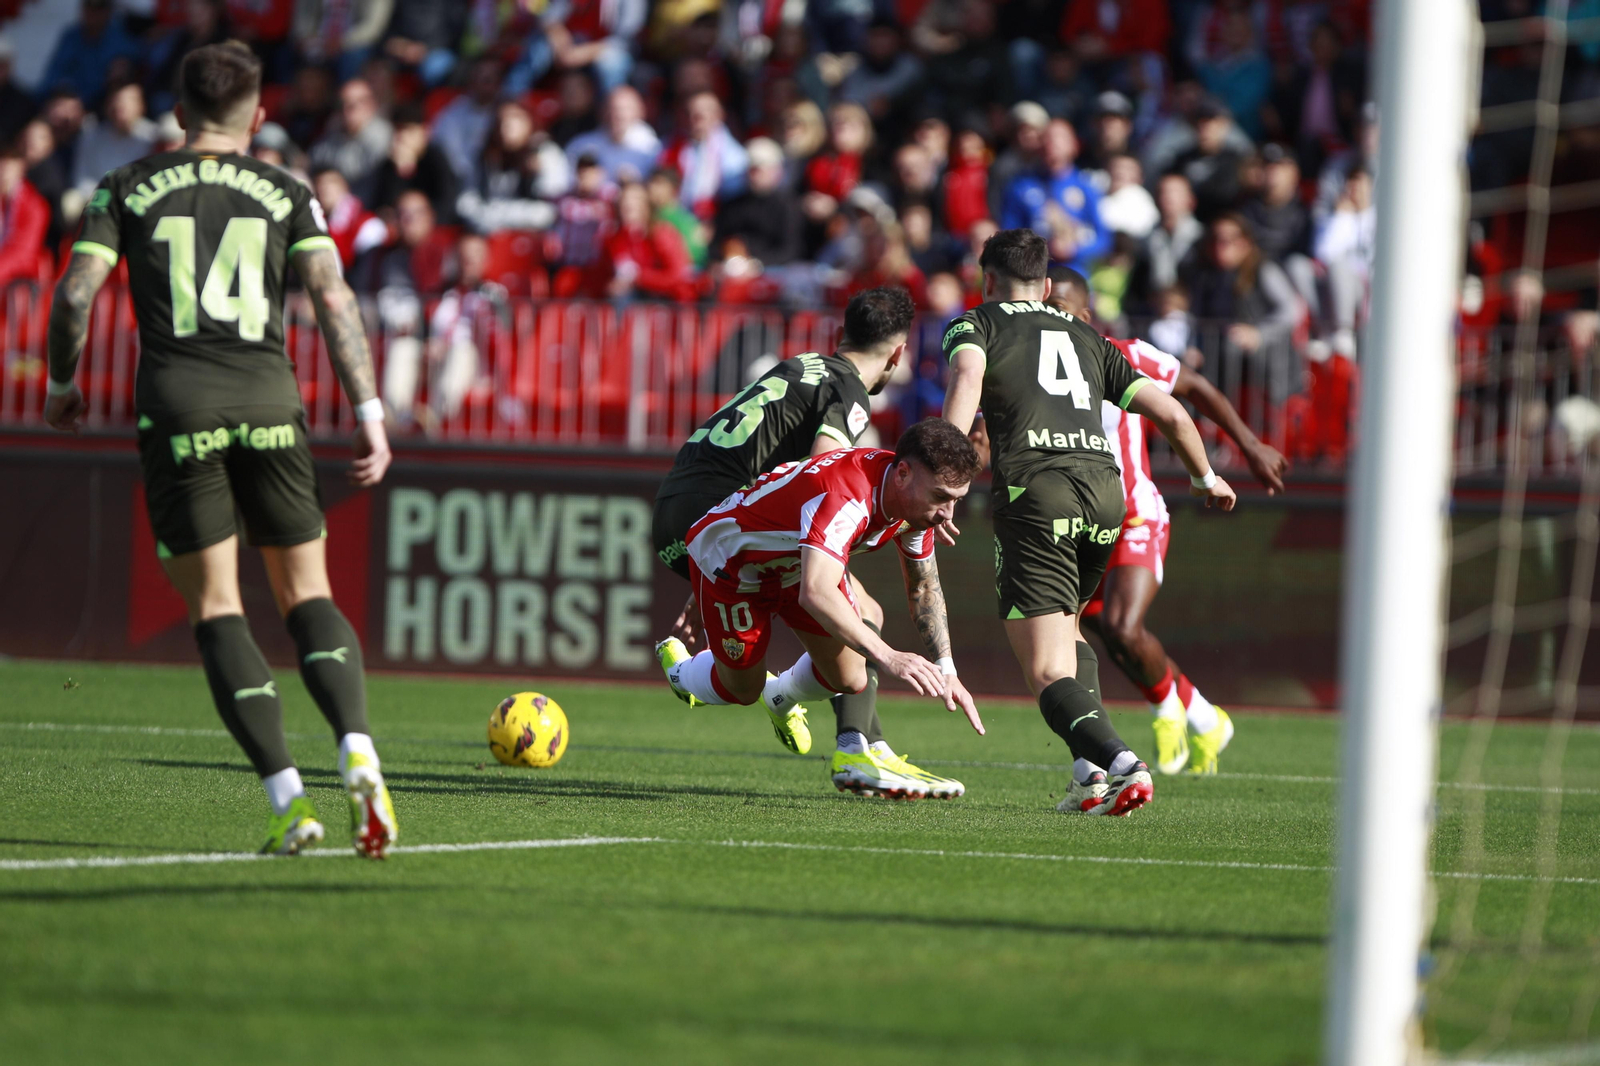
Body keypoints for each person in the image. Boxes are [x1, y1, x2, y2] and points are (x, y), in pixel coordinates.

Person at [42, 42, 397, 858]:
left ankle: (289, 801)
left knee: (216, 607)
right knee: (307, 593)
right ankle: (359, 752)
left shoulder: (127, 185)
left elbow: (74, 293)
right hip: (271, 402)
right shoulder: (285, 188)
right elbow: (333, 296)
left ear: (177, 113)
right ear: (259, 114)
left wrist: (62, 383)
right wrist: (370, 410)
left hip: (179, 406)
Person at [941, 228, 1237, 817]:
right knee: (1072, 634)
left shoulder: (977, 323)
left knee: (1044, 665)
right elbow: (1173, 412)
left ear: (987, 281)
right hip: (1107, 494)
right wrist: (1207, 477)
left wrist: (946, 478)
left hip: (1038, 492)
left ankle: (1122, 765)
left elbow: (967, 382)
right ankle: (1089, 774)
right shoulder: (1088, 335)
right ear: (1048, 286)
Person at [651, 288, 969, 799]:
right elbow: (822, 471)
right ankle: (860, 748)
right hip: (716, 526)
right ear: (897, 353)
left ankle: (802, 709)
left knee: (847, 645)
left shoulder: (803, 366)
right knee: (860, 612)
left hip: (681, 503)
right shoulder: (850, 395)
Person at [1045, 268, 1286, 773]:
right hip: (1077, 524)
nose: (1053, 322)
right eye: (1047, 311)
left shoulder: (1123, 353)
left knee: (1121, 627)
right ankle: (1203, 717)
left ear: (1086, 317)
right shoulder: (1035, 370)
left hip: (1135, 513)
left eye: (1063, 312)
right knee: (1098, 635)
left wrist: (1249, 445)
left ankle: (1164, 712)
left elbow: (1193, 387)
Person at [999, 118, 1109, 276]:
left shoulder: (1087, 187)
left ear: (1074, 145)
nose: (1051, 143)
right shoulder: (1021, 187)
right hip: (1035, 278)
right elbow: (1009, 236)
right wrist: (1042, 249)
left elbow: (1104, 239)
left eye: (1059, 138)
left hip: (1076, 277)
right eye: (1046, 138)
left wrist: (1074, 249)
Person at [563, 85, 662, 187]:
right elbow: (566, 184)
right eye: (612, 108)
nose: (618, 115)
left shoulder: (652, 148)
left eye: (626, 109)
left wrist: (635, 184)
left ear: (640, 112)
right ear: (602, 111)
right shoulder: (580, 146)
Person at [72, 81, 157, 197]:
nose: (120, 106)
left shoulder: (153, 137)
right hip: (96, 201)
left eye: (129, 101)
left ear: (142, 106)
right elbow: (83, 179)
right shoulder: (91, 135)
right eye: (116, 100)